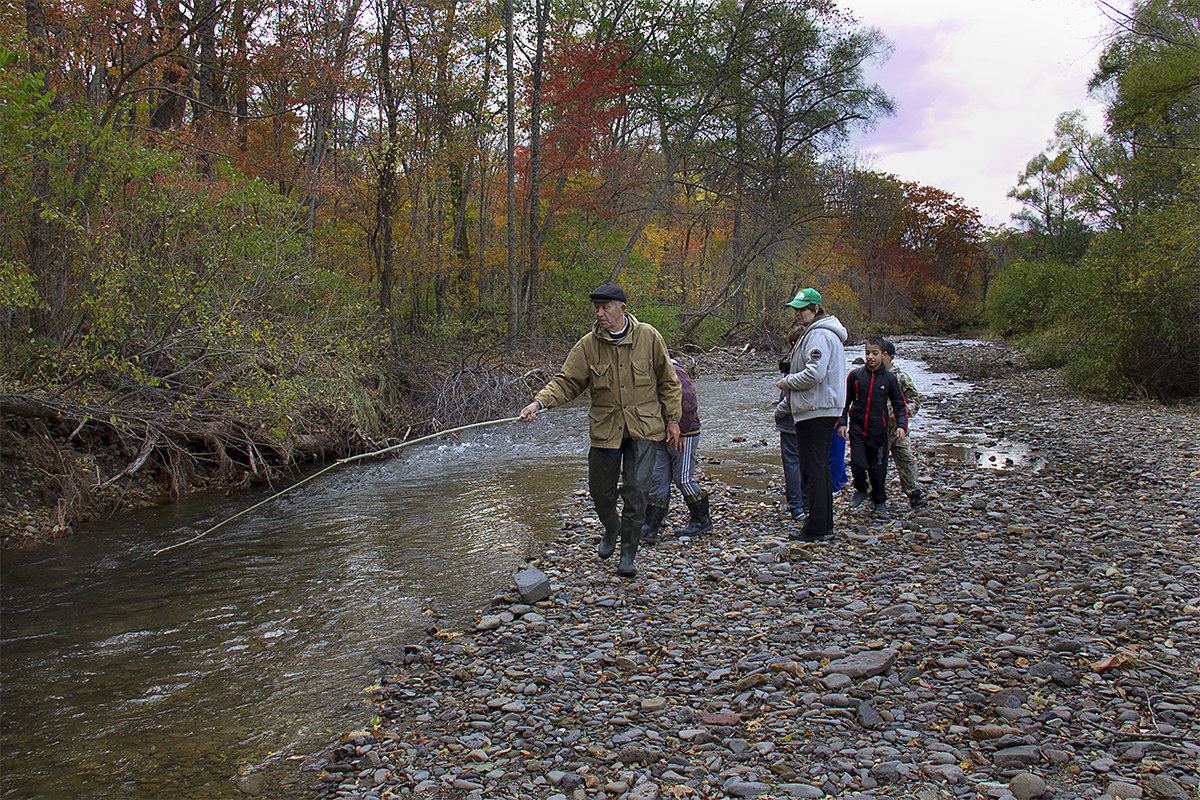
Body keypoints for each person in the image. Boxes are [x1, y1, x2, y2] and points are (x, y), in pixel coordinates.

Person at [520, 283, 681, 578]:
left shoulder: (649, 336)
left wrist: (673, 419)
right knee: (600, 493)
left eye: (605, 307)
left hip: (645, 428)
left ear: (622, 308)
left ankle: (628, 554)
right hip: (606, 429)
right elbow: (567, 381)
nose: (599, 313)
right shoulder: (587, 345)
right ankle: (612, 528)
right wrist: (539, 403)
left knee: (637, 492)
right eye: (596, 308)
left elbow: (669, 382)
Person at [776, 288, 848, 542]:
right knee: (820, 468)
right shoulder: (824, 333)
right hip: (821, 408)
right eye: (795, 308)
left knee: (812, 469)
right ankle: (823, 523)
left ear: (815, 309)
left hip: (816, 410)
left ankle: (816, 527)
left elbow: (814, 374)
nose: (797, 313)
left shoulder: (818, 334)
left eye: (802, 309)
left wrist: (787, 382)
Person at [837, 335, 908, 517]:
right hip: (858, 429)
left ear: (883, 355)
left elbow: (899, 404)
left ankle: (879, 500)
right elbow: (845, 401)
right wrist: (842, 423)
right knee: (858, 464)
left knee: (878, 469)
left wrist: (901, 426)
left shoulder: (890, 379)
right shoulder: (856, 376)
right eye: (867, 353)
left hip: (879, 431)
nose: (870, 357)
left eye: (874, 353)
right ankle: (860, 489)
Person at [643, 358, 711, 544]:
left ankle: (702, 520)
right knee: (657, 479)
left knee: (683, 478)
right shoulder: (644, 370)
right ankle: (652, 525)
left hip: (684, 432)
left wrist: (683, 429)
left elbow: (689, 402)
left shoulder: (673, 370)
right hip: (659, 432)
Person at [881, 340, 927, 509]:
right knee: (876, 464)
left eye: (884, 355)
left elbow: (914, 400)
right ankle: (875, 495)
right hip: (879, 430)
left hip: (899, 430)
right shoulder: (870, 377)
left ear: (890, 357)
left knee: (906, 460)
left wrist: (903, 413)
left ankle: (913, 493)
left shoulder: (901, 378)